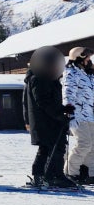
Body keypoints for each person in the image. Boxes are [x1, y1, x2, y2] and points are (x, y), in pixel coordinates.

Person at [23, 46, 77, 189]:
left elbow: (51, 101)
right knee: (53, 148)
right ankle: (53, 176)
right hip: (45, 121)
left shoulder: (48, 78)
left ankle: (45, 175)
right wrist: (59, 115)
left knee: (49, 148)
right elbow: (43, 102)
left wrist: (64, 109)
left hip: (51, 120)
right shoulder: (38, 79)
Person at [62, 46, 94, 184]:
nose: (89, 60)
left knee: (92, 146)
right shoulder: (71, 73)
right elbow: (68, 91)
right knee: (84, 144)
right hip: (78, 115)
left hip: (90, 114)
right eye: (87, 58)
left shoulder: (87, 74)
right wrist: (68, 108)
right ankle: (70, 172)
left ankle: (89, 173)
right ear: (79, 58)